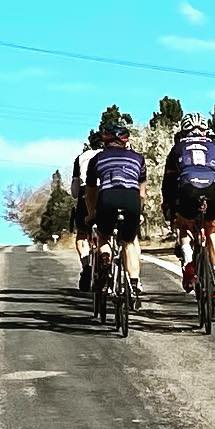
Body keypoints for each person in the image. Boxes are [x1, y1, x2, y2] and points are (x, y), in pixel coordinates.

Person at [162, 112, 215, 303]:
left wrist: (170, 207)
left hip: (188, 186)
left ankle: (189, 263)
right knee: (213, 233)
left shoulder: (178, 147)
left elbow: (169, 183)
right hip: (213, 188)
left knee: (183, 226)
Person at [85, 120, 146, 308]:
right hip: (131, 199)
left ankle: (105, 258)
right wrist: (139, 211)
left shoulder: (97, 159)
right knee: (128, 241)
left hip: (107, 197)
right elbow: (142, 191)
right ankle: (134, 285)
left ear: (105, 140)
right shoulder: (138, 158)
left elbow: (91, 190)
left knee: (103, 235)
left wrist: (91, 213)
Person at [69, 130, 102, 292]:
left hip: (85, 194)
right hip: (109, 192)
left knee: (82, 233)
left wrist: (77, 196)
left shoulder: (82, 157)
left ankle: (86, 264)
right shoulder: (115, 154)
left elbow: (75, 189)